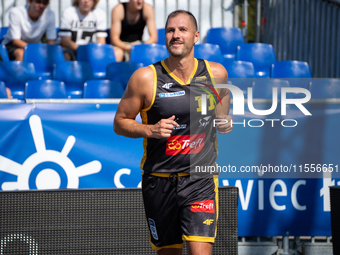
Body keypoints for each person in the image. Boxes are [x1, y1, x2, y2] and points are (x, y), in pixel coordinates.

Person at [114, 10, 233, 255]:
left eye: (182, 30)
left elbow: (224, 96)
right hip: (159, 180)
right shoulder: (145, 78)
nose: (175, 35)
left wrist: (223, 118)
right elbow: (120, 122)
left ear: (196, 36)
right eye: (170, 30)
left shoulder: (215, 73)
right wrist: (150, 129)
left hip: (200, 180)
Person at [58, 0, 123, 61]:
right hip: (71, 50)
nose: (86, 1)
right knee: (65, 56)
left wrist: (94, 52)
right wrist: (83, 50)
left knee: (118, 52)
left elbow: (101, 41)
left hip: (90, 50)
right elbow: (65, 41)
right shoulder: (68, 12)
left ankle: (105, 72)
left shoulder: (100, 14)